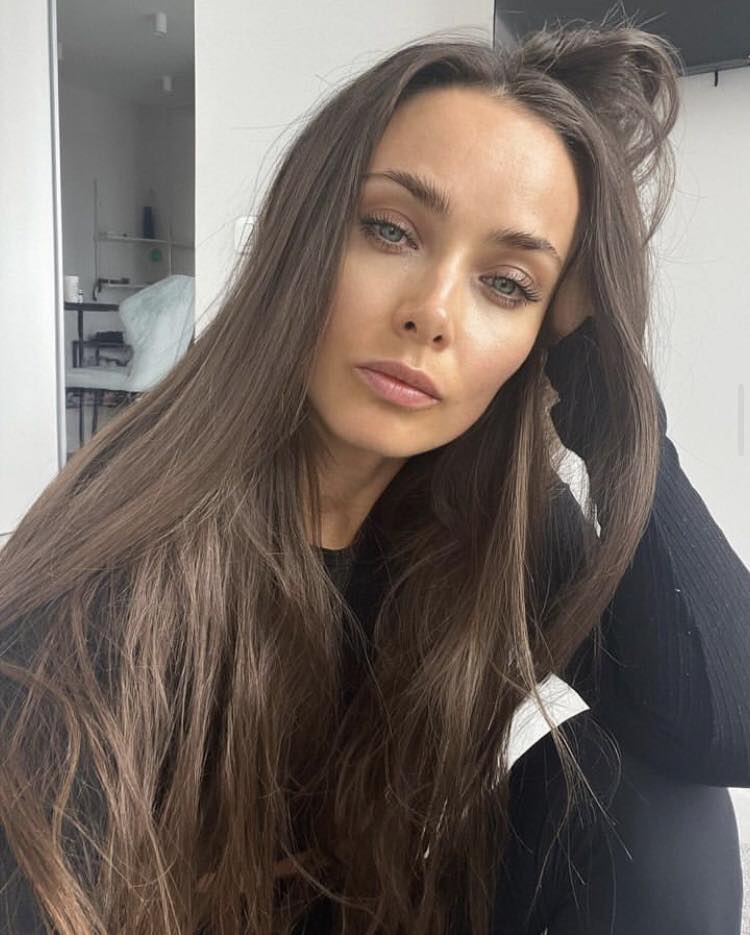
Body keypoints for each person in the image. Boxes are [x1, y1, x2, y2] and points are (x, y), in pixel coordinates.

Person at [0, 13, 748, 935]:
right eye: (391, 230)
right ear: (303, 235)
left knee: (655, 804)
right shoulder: (109, 587)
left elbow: (725, 722)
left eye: (507, 284)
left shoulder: (483, 522)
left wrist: (609, 390)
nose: (432, 312)